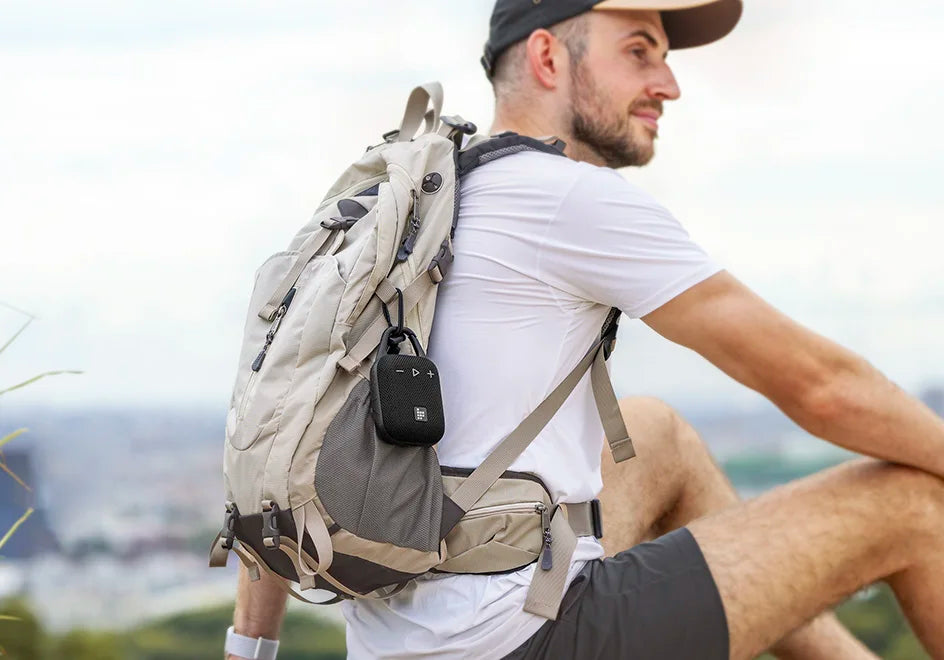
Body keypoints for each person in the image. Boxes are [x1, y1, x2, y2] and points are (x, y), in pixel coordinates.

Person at [228, 1, 944, 658]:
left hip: (400, 643)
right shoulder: (569, 197)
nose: (668, 84)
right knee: (914, 503)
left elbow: (283, 431)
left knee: (655, 433)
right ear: (547, 58)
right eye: (639, 52)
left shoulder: (414, 196)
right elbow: (821, 387)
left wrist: (248, 649)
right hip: (517, 641)